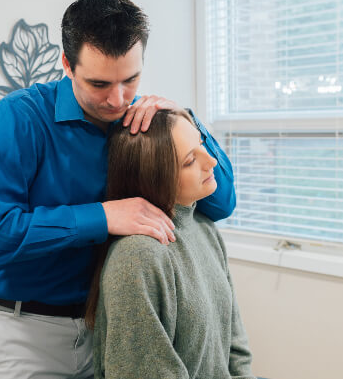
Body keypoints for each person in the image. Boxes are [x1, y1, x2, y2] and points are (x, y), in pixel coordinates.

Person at [0, 0, 236, 379]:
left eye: (130, 79)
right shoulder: (20, 117)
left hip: (106, 327)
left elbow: (220, 204)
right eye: (99, 83)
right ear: (67, 64)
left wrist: (186, 120)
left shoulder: (141, 121)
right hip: (22, 330)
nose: (117, 99)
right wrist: (101, 217)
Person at [88, 109, 254, 379]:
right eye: (190, 160)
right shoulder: (138, 257)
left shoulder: (205, 228)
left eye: (201, 144)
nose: (211, 160)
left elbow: (236, 346)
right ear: (155, 176)